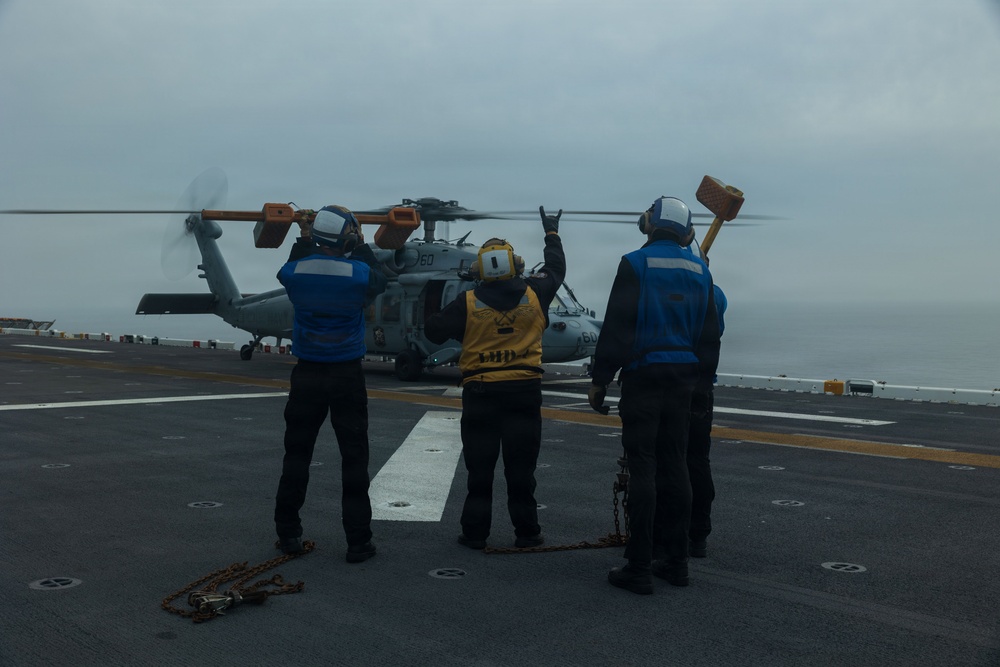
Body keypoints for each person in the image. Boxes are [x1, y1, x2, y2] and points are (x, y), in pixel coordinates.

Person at [587, 196, 720, 595]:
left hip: (644, 377)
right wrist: (702, 385)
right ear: (687, 231)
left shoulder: (635, 263)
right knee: (676, 465)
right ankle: (676, 562)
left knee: (643, 465)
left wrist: (600, 378)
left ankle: (639, 565)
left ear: (648, 223)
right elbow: (709, 336)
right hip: (685, 380)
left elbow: (617, 326)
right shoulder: (701, 270)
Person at [425, 207, 565, 550]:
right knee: (521, 471)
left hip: (481, 393)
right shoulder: (536, 292)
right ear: (516, 265)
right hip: (524, 393)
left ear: (480, 271)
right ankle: (527, 533)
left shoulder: (467, 302)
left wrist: (433, 294)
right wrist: (551, 234)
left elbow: (433, 330)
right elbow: (557, 269)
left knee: (480, 472)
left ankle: (475, 534)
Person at [273, 205, 388, 562]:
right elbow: (379, 279)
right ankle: (358, 541)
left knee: (297, 455)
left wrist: (305, 236)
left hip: (306, 374)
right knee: (354, 460)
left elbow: (291, 267)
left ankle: (288, 534)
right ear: (348, 236)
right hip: (346, 376)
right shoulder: (357, 274)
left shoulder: (294, 273)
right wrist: (363, 242)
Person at [688, 278, 727, 559]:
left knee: (661, 462)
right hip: (703, 387)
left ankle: (662, 534)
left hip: (667, 382)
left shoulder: (662, 287)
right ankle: (698, 534)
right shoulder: (717, 294)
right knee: (698, 460)